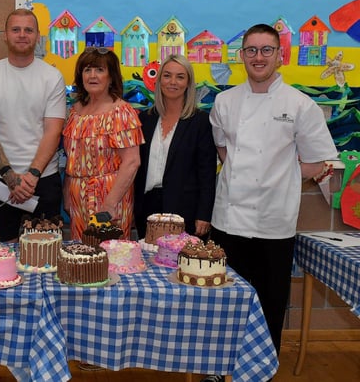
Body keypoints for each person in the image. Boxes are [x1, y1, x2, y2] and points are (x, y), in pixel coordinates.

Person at [206, 23, 338, 382]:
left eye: (266, 50)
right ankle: (217, 369)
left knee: (270, 301)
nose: (258, 57)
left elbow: (319, 161)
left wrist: (283, 174)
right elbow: (223, 149)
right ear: (242, 55)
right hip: (227, 218)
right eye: (251, 50)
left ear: (280, 55)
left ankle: (262, 370)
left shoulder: (300, 104)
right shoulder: (225, 101)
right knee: (223, 299)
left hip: (273, 223)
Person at [0, 8, 66, 242]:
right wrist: (10, 177)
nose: (22, 35)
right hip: (0, 182)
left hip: (43, 180)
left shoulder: (52, 77)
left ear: (37, 36)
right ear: (5, 35)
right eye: (16, 29)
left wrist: (32, 175)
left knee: (45, 257)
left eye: (28, 30)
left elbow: (53, 131)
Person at [63, 47, 143, 240]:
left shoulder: (122, 112)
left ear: (111, 77)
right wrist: (67, 194)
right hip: (77, 198)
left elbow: (132, 162)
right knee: (81, 258)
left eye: (100, 70)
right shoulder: (75, 111)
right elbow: (71, 158)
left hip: (110, 198)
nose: (92, 76)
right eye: (87, 70)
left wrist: (110, 205)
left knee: (111, 257)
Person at [133, 54, 216, 239]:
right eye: (167, 75)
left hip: (184, 210)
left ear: (188, 83)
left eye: (180, 77)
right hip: (146, 207)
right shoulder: (145, 119)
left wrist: (204, 214)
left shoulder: (200, 122)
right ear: (159, 79)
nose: (173, 82)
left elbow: (207, 173)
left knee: (182, 266)